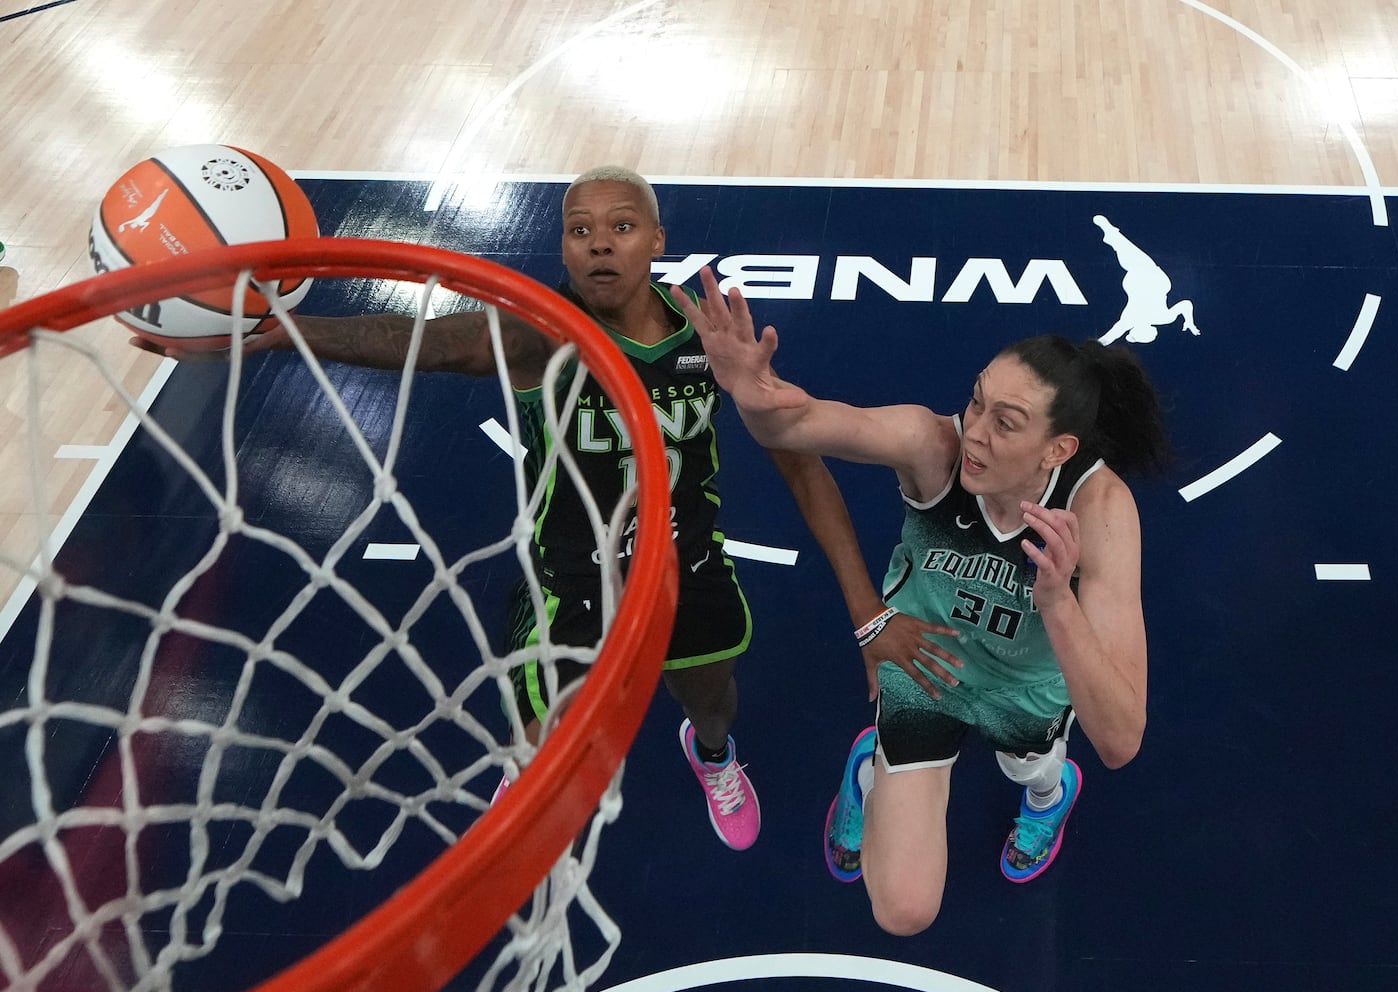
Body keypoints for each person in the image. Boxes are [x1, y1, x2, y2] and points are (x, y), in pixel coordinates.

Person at [137, 165, 961, 852]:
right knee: (542, 746)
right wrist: (280, 330)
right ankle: (526, 772)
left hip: (687, 567)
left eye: (622, 225)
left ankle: (711, 755)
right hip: (569, 578)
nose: (600, 240)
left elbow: (805, 470)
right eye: (580, 228)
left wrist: (866, 614)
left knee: (711, 701)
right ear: (562, 244)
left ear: (658, 241)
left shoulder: (711, 343)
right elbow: (412, 339)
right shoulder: (540, 335)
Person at [674, 265, 1169, 932]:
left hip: (1026, 681)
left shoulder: (1101, 508)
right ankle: (873, 773)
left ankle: (1049, 796)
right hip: (923, 660)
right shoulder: (933, 444)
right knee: (903, 908)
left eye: (1006, 421)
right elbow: (801, 425)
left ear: (1059, 448)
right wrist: (752, 392)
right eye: (976, 402)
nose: (976, 431)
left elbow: (1119, 737)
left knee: (1035, 766)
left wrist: (1057, 601)